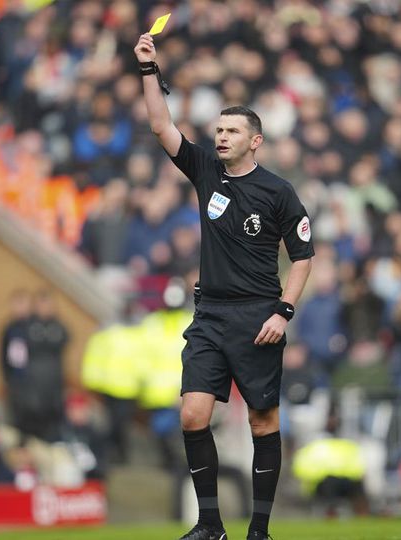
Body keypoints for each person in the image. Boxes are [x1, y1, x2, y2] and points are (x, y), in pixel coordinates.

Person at [135, 34, 314, 540]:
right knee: (193, 415)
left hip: (260, 315)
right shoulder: (206, 171)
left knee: (262, 421)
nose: (221, 137)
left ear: (255, 140)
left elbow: (303, 258)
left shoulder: (279, 192)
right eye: (218, 129)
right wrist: (150, 70)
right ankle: (209, 524)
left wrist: (284, 312)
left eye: (232, 130)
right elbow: (159, 124)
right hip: (210, 313)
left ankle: (259, 528)